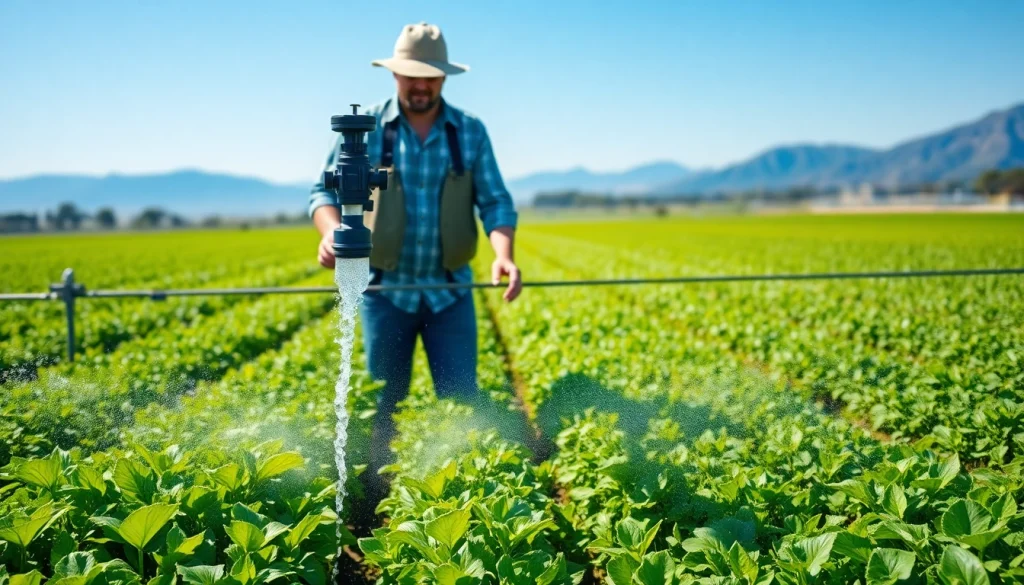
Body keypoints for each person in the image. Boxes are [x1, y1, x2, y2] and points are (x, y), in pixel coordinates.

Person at [307, 22, 522, 502]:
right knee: (382, 402)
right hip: (383, 291)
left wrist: (504, 255)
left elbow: (496, 201)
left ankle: (464, 495)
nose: (421, 86)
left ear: (445, 78)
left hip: (450, 291)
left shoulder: (469, 131)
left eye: (431, 77)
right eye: (411, 76)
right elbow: (323, 191)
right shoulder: (366, 132)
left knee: (461, 397)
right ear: (395, 75)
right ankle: (376, 500)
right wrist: (331, 235)